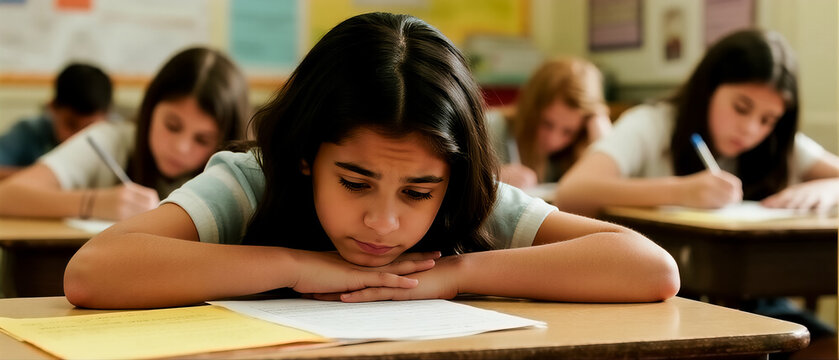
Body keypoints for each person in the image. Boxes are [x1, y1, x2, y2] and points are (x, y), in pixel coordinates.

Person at [63, 12, 679, 309]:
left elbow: (651, 270)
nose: (383, 221)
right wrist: (295, 265)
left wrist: (453, 276)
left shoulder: (468, 191)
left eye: (417, 192)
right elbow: (94, 273)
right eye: (355, 182)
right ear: (307, 155)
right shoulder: (252, 181)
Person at [555, 29, 839, 217]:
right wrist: (681, 191)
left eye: (768, 120)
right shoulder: (652, 124)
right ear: (709, 90)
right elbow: (572, 192)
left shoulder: (777, 142)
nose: (751, 129)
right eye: (741, 108)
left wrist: (827, 188)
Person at [0, 47, 250, 221]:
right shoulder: (111, 139)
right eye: (172, 126)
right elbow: (6, 196)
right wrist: (95, 204)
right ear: (150, 110)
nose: (181, 147)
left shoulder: (240, 171)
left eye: (202, 139)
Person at [487, 57, 611, 189]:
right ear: (530, 109)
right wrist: (490, 177)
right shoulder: (490, 126)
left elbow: (608, 181)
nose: (553, 140)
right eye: (547, 124)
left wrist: (599, 123)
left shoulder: (573, 151)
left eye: (568, 132)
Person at [0, 63, 114, 180]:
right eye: (71, 125)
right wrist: (50, 177)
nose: (78, 137)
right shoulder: (28, 131)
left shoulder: (116, 137)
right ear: (52, 108)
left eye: (89, 128)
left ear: (108, 117)